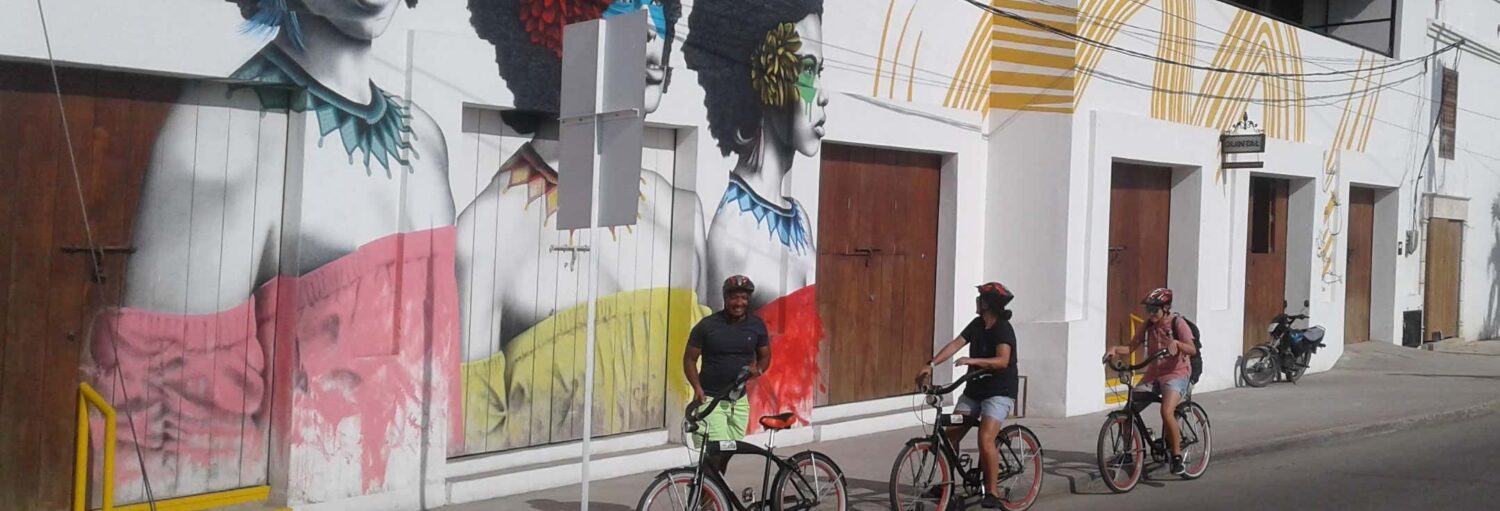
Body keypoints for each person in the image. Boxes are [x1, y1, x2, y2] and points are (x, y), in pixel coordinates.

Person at [915, 282, 1019, 509]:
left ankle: (992, 492)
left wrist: (971, 361)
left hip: (999, 390)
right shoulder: (977, 325)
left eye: (980, 298)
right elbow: (955, 344)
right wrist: (930, 364)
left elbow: (1002, 361)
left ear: (989, 304)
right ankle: (947, 485)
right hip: (974, 390)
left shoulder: (1003, 328)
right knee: (951, 436)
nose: (977, 301)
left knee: (985, 438)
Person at [684, 275, 772, 473]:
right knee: (713, 454)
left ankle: (715, 495)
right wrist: (696, 387)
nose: (739, 303)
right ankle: (707, 500)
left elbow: (765, 357)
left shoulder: (757, 326)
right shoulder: (707, 326)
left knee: (727, 452)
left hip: (738, 401)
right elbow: (689, 359)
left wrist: (757, 370)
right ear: (725, 298)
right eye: (734, 298)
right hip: (710, 399)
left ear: (748, 300)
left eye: (743, 298)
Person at [1107, 287, 1197, 475]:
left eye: (1155, 310)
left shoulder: (1178, 323)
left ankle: (1176, 457)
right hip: (1154, 374)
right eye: (1148, 310)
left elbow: (1192, 349)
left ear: (1166, 308)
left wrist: (1178, 344)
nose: (1151, 314)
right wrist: (1114, 349)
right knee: (1127, 412)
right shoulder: (1148, 325)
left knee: (1166, 411)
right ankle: (1128, 453)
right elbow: (1131, 348)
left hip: (1176, 373)